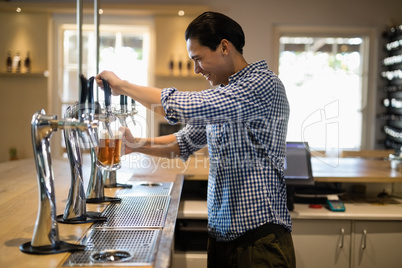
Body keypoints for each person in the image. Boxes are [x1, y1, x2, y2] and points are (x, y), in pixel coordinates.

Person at [96, 11, 295, 268]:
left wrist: (122, 86)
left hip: (259, 243)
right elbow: (183, 143)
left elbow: (187, 107)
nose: (196, 69)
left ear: (224, 46)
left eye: (198, 59)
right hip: (222, 239)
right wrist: (133, 145)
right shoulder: (225, 94)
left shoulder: (263, 85)